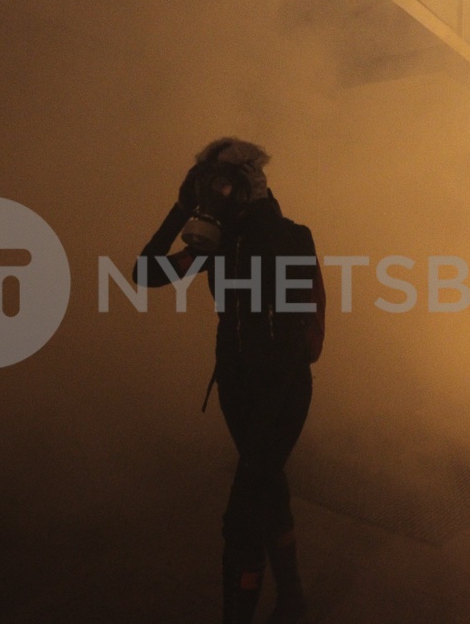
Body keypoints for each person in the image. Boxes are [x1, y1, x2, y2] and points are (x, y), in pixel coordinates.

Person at [133, 137, 325, 623]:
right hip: (238, 390)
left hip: (280, 394)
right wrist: (181, 213)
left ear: (246, 187)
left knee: (241, 518)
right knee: (268, 490)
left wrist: (222, 212)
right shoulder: (215, 248)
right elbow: (145, 272)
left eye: (218, 187)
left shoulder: (287, 236)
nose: (210, 198)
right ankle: (294, 598)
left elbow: (311, 328)